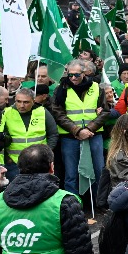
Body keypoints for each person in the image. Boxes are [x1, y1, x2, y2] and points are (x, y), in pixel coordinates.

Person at [52, 60, 110, 196]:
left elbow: (105, 112)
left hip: (93, 135)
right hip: (70, 137)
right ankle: (72, 203)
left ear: (84, 73)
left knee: (98, 170)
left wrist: (90, 129)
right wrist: (77, 130)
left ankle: (99, 201)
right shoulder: (61, 89)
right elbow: (58, 113)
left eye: (77, 75)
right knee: (71, 173)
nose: (73, 78)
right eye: (70, 75)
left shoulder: (96, 87)